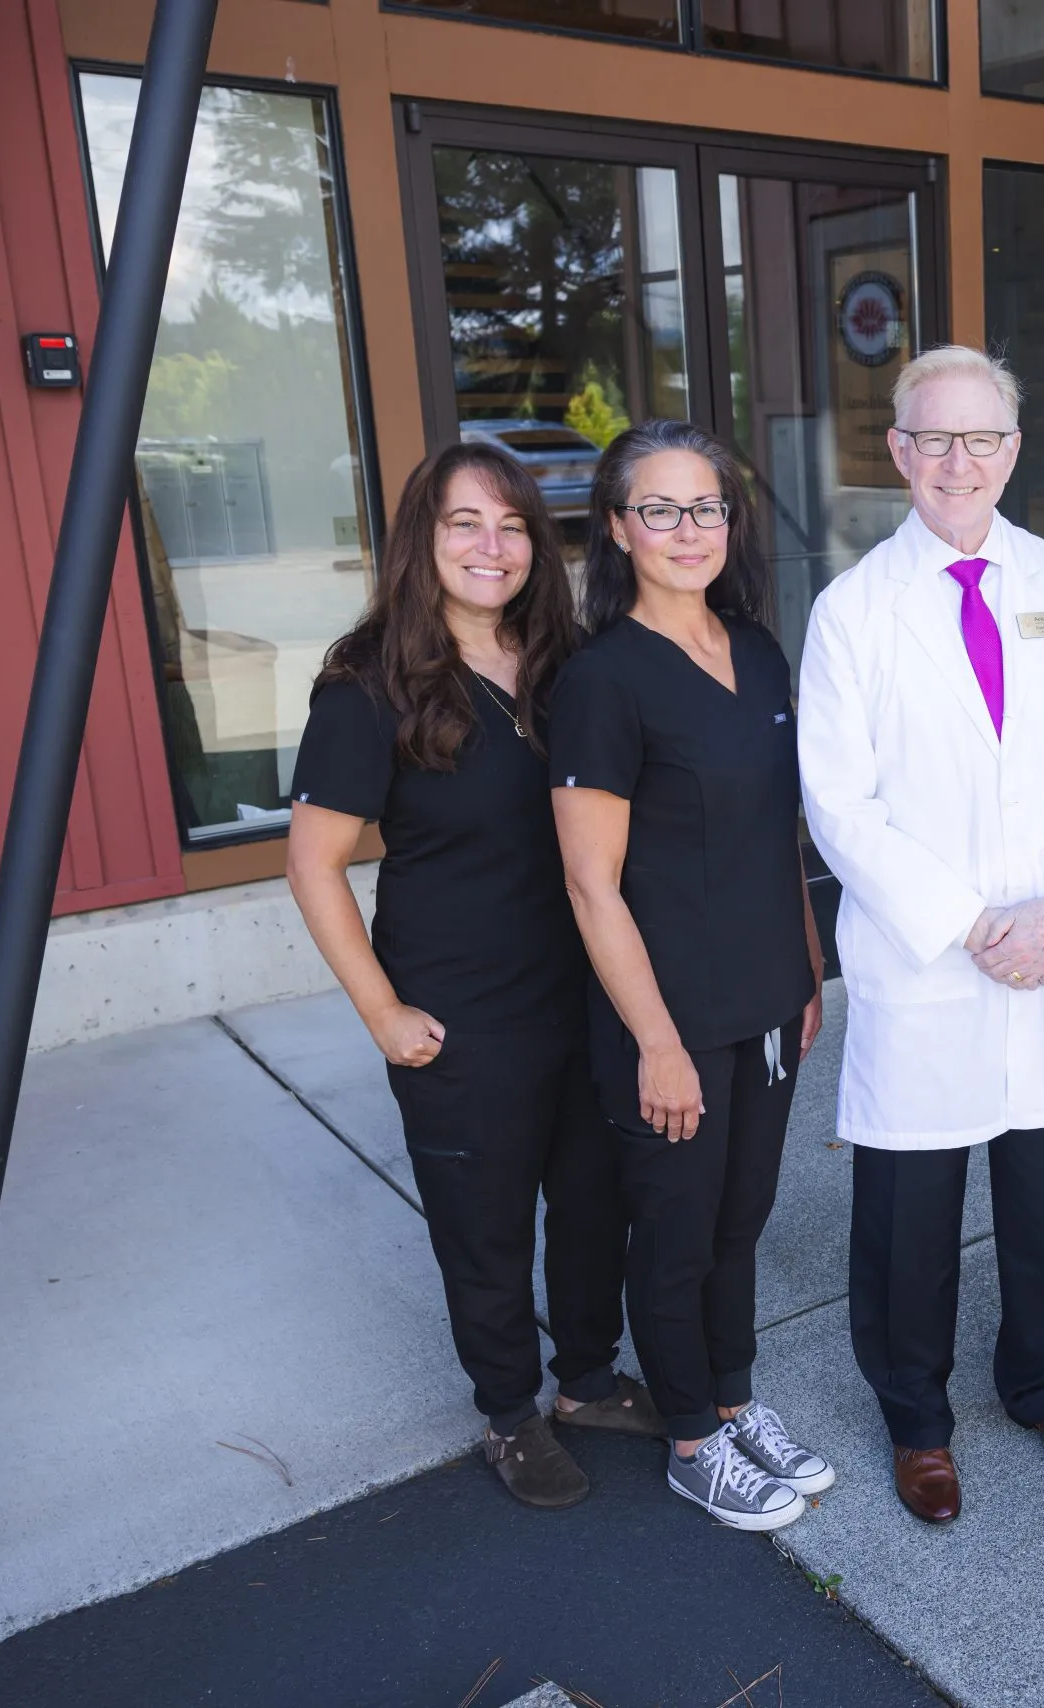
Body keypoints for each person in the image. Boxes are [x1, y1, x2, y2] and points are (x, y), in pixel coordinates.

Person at [286, 442, 656, 1513]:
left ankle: (586, 1382)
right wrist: (383, 1012)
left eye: (511, 525)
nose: (491, 546)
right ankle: (509, 1411)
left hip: (582, 993)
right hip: (461, 1014)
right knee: (485, 1226)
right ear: (424, 539)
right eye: (464, 523)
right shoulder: (368, 687)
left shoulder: (565, 664)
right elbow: (312, 864)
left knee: (591, 1207)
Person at [798, 346, 1044, 1525]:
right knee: (910, 1203)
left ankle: (1042, 1381)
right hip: (927, 956)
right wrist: (971, 922)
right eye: (932, 438)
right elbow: (840, 805)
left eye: (980, 438)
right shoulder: (853, 612)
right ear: (897, 452)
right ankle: (916, 1416)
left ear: (1013, 450)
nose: (957, 461)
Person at [552, 420, 833, 1533]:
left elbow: (777, 832)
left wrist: (806, 965)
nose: (687, 530)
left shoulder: (755, 649)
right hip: (666, 1016)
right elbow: (591, 887)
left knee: (739, 1219)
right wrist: (657, 1044)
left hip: (765, 993)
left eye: (705, 507)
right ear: (618, 528)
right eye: (659, 509)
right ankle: (688, 1437)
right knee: (674, 1234)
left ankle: (732, 1398)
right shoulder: (603, 680)